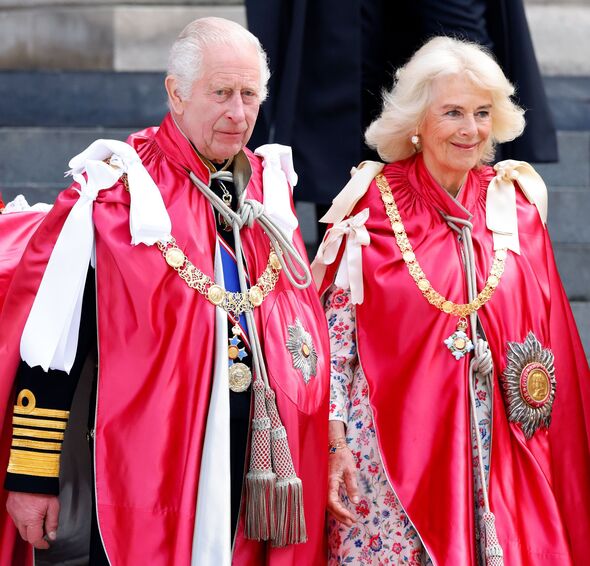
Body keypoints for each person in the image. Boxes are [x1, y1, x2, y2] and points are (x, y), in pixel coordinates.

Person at [0, 17, 329, 565]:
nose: (238, 113)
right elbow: (52, 345)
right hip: (148, 474)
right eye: (221, 93)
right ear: (176, 94)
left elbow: (304, 332)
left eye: (250, 95)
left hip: (260, 468)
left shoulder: (269, 188)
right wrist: (31, 477)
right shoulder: (117, 194)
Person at [313, 36, 589, 565]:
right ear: (417, 120)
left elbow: (547, 344)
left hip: (495, 456)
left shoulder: (517, 206)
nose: (470, 130)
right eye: (453, 112)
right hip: (386, 463)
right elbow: (337, 344)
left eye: (482, 113)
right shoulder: (368, 205)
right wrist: (334, 444)